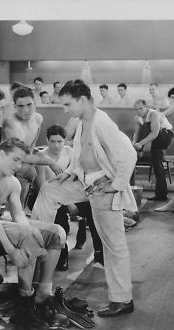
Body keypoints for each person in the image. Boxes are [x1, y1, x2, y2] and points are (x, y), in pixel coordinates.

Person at [32, 80, 137, 317]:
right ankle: (40, 238)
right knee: (50, 189)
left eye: (68, 104)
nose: (66, 109)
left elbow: (129, 153)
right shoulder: (82, 123)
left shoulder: (102, 122)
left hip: (102, 186)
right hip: (84, 180)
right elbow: (82, 155)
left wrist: (117, 185)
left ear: (82, 100)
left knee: (113, 245)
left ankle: (122, 299)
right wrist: (70, 172)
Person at [0, 138, 68, 330]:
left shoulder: (12, 183)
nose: (19, 166)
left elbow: (20, 217)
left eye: (22, 161)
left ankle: (43, 294)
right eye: (15, 160)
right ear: (1, 155)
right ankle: (25, 305)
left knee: (57, 233)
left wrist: (37, 240)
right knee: (29, 237)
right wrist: (12, 250)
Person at [33, 125, 103, 270]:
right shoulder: (42, 156)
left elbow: (77, 178)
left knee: (94, 208)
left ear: (65, 141)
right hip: (48, 197)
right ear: (47, 140)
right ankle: (61, 255)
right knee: (60, 220)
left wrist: (71, 200)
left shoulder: (70, 152)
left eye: (60, 141)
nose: (57, 145)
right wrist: (67, 203)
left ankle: (99, 253)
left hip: (68, 194)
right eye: (53, 141)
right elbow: (40, 185)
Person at [1, 87, 64, 209]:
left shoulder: (38, 119)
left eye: (29, 104)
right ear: (14, 106)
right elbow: (20, 155)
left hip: (24, 159)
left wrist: (39, 160)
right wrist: (49, 161)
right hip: (7, 161)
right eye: (21, 106)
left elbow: (29, 148)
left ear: (35, 103)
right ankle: (13, 210)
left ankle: (42, 207)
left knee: (44, 171)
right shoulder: (11, 123)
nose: (26, 110)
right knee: (28, 170)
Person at [132, 99, 174, 201]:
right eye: (136, 109)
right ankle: (160, 194)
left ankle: (161, 194)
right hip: (152, 139)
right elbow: (136, 134)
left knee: (157, 161)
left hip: (165, 135)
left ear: (146, 107)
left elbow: (154, 133)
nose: (139, 111)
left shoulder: (153, 114)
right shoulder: (137, 118)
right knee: (156, 163)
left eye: (141, 108)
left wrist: (141, 143)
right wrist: (133, 144)